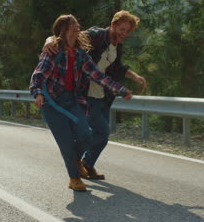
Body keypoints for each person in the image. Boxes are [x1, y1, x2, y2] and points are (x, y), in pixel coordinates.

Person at [30, 14, 132, 192]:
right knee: (66, 142)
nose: (78, 27)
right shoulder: (53, 51)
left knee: (87, 134)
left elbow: (98, 75)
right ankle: (74, 178)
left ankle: (76, 159)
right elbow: (39, 74)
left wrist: (121, 89)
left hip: (72, 100)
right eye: (73, 24)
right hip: (52, 103)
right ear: (64, 29)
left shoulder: (80, 54)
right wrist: (37, 93)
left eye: (78, 24)